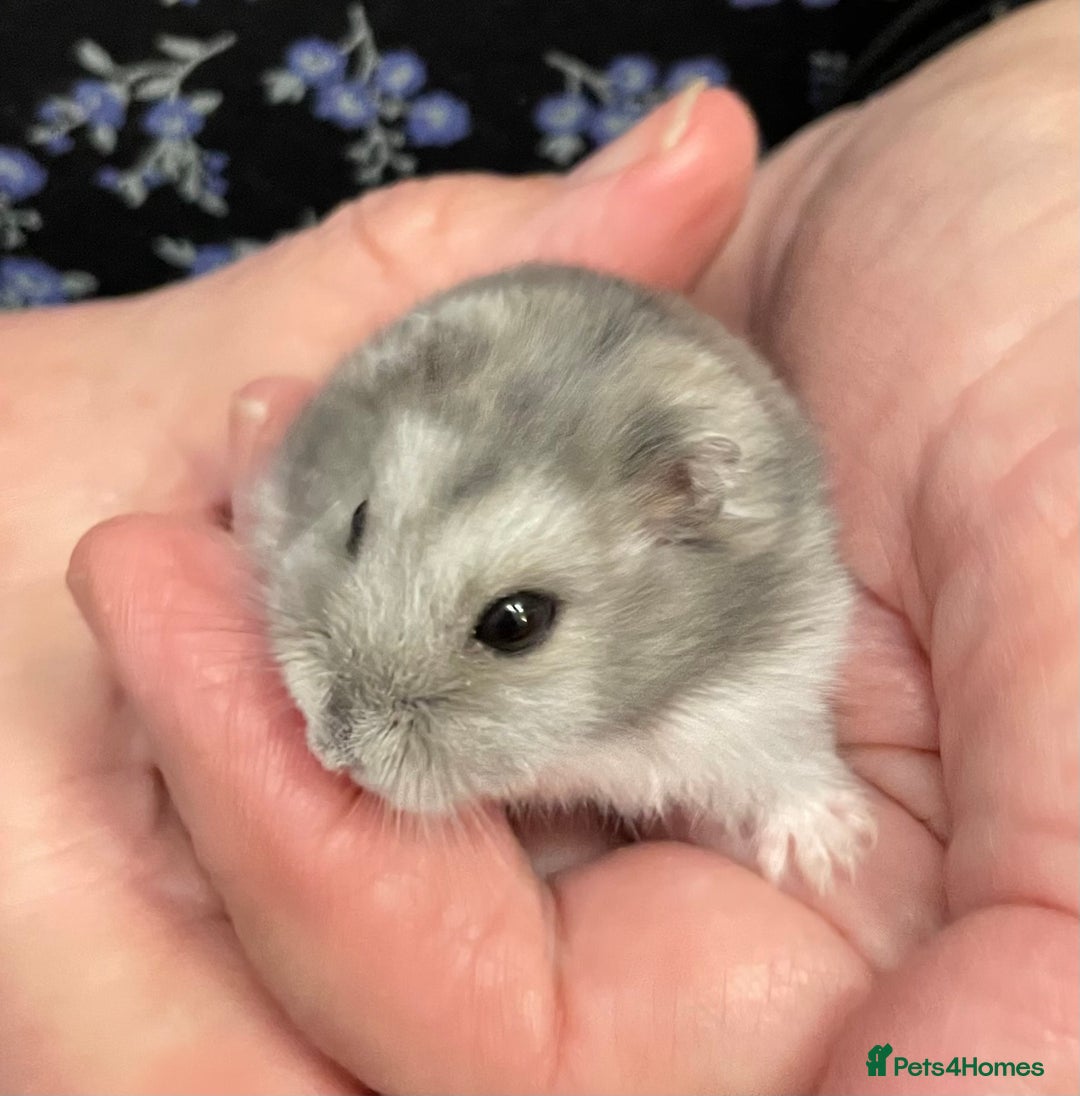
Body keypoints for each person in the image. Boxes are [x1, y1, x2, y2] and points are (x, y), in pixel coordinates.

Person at [1, 0, 1076, 1090]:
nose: (341, 734)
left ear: (701, 515)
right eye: (365, 531)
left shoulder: (739, 578)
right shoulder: (384, 416)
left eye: (511, 624)